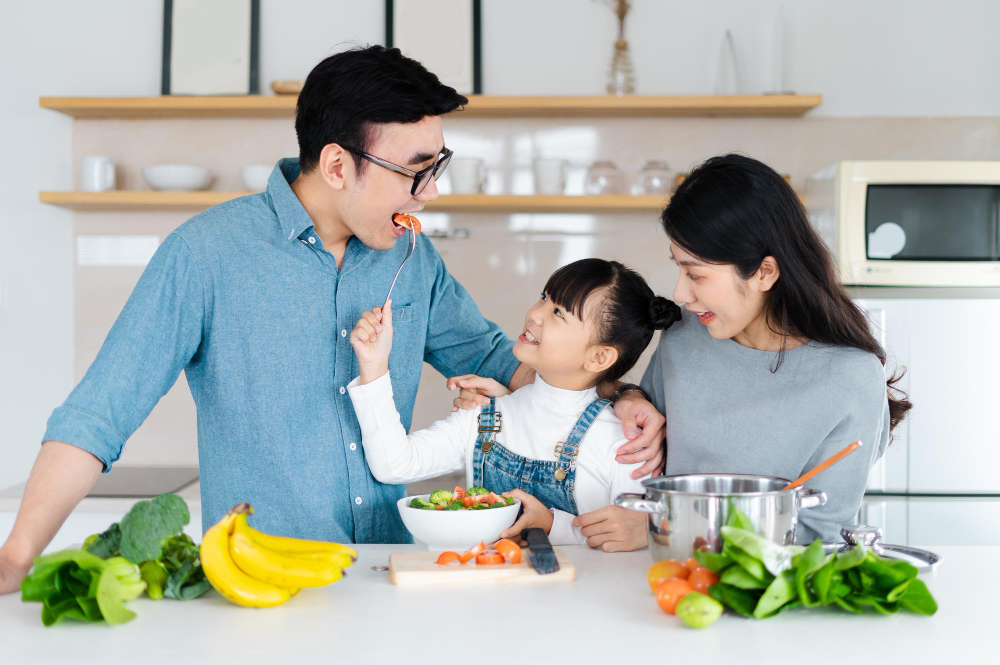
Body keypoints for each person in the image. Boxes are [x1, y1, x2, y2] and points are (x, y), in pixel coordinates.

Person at [0, 46, 666, 594]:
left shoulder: (412, 254)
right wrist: (18, 552)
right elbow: (96, 416)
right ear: (339, 164)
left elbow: (513, 365)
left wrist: (623, 391)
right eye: (415, 171)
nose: (430, 192)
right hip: (260, 581)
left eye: (438, 166)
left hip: (387, 576)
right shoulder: (205, 254)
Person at [641, 153, 912, 542]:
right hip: (668, 582)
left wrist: (670, 528)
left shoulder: (850, 377)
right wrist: (625, 395)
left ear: (765, 272)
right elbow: (633, 459)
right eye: (679, 268)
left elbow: (820, 534)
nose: (680, 293)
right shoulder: (684, 339)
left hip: (771, 593)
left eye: (695, 274)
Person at [348, 259, 681, 549]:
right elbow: (395, 465)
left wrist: (551, 525)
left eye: (557, 313)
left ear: (598, 357)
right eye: (543, 297)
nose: (535, 315)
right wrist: (374, 368)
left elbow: (634, 544)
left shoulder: (626, 445)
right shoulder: (486, 415)